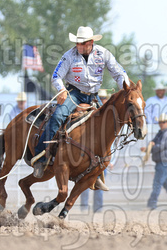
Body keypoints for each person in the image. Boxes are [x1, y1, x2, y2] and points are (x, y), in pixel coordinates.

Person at [32, 26, 130, 183]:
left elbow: (119, 73)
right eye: (77, 42)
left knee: (107, 126)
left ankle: (97, 170)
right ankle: (40, 157)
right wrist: (62, 90)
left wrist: (126, 89)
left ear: (91, 42)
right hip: (74, 94)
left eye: (82, 43)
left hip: (93, 96)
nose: (78, 45)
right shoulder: (69, 56)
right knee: (57, 116)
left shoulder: (103, 54)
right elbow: (56, 76)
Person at [141, 113, 167, 210]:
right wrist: (148, 148)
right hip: (163, 163)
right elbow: (154, 143)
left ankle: (151, 204)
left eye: (163, 122)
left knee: (157, 184)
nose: (161, 124)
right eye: (160, 122)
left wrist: (150, 148)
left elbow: (160, 146)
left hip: (164, 163)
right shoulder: (161, 133)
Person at [79, 89, 111, 212]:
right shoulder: (92, 114)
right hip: (91, 156)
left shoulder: (104, 116)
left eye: (104, 98)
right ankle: (84, 207)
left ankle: (97, 209)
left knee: (98, 184)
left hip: (102, 157)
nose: (102, 100)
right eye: (101, 98)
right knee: (86, 183)